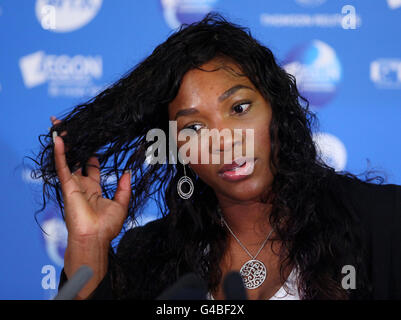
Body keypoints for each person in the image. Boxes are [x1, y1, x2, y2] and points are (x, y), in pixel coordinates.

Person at [32, 12, 401, 300]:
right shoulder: (151, 256)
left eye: (239, 108)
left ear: (276, 110)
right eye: (193, 128)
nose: (223, 140)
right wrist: (88, 244)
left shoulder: (382, 223)